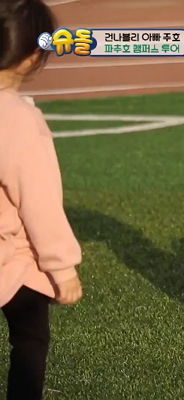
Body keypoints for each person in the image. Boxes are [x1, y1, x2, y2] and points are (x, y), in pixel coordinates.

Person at [0, 1, 83, 399]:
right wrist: (62, 266)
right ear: (33, 56)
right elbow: (38, 200)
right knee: (29, 340)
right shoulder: (18, 119)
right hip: (11, 260)